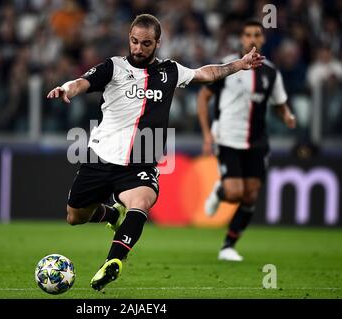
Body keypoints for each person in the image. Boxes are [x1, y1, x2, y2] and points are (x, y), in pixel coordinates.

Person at [47, 14, 264, 291]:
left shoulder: (170, 71)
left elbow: (206, 73)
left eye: (146, 44)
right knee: (75, 217)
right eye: (134, 42)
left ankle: (113, 261)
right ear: (129, 39)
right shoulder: (113, 67)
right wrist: (66, 88)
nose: (138, 48)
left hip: (141, 161)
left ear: (157, 43)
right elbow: (81, 82)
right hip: (100, 158)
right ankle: (113, 216)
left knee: (141, 202)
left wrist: (239, 64)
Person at [197, 20, 296, 262]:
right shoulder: (228, 67)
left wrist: (287, 116)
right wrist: (207, 134)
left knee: (251, 196)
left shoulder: (271, 72)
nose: (252, 38)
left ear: (262, 40)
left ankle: (228, 246)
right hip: (229, 137)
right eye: (248, 34)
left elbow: (279, 104)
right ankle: (220, 191)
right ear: (241, 38)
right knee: (234, 193)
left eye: (257, 35)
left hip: (258, 141)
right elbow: (203, 97)